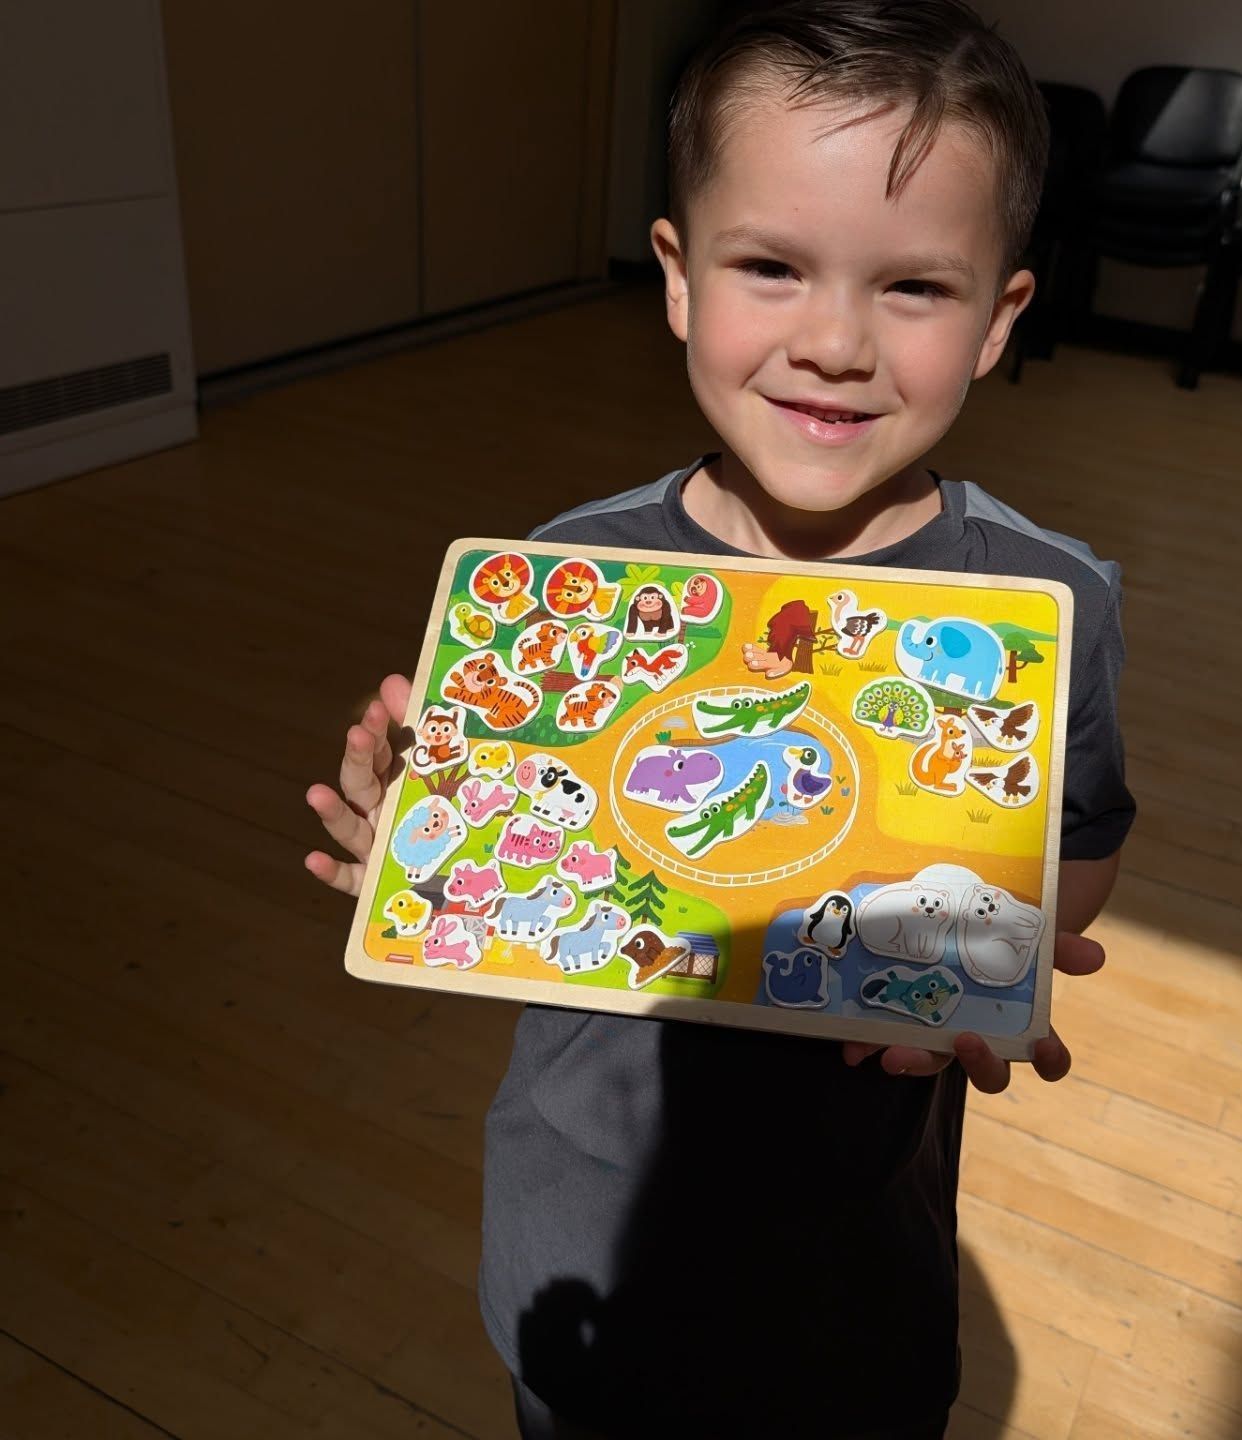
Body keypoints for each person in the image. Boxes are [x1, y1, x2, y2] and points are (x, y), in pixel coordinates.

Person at [304, 3, 1134, 1435]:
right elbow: (531, 873)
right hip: (579, 1237)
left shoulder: (1047, 602)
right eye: (772, 266)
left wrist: (1007, 922)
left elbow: (1085, 840)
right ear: (679, 281)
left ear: (1002, 315)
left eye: (915, 289)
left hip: (852, 1275)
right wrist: (434, 842)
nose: (834, 342)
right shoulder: (571, 582)